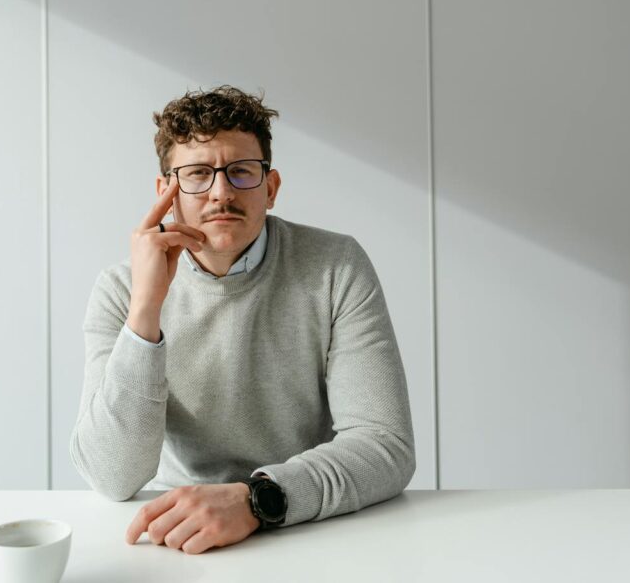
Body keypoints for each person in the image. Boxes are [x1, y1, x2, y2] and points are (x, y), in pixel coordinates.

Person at [70, 85, 415, 555]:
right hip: (174, 534)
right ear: (166, 193)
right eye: (196, 174)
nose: (221, 192)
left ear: (270, 188)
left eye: (241, 172)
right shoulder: (120, 292)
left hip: (307, 526)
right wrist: (145, 311)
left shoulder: (337, 267)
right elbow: (113, 475)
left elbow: (385, 445)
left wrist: (257, 501)